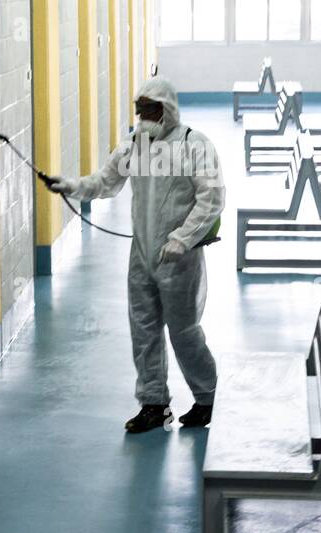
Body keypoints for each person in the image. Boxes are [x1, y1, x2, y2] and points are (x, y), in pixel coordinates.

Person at [48, 76, 225, 433]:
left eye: (150, 109)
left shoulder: (195, 145)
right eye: (139, 110)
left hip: (178, 258)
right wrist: (70, 185)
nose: (143, 116)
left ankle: (205, 398)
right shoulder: (135, 146)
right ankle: (154, 404)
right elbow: (104, 182)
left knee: (183, 332)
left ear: (168, 109)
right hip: (142, 254)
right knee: (143, 331)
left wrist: (182, 239)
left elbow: (212, 198)